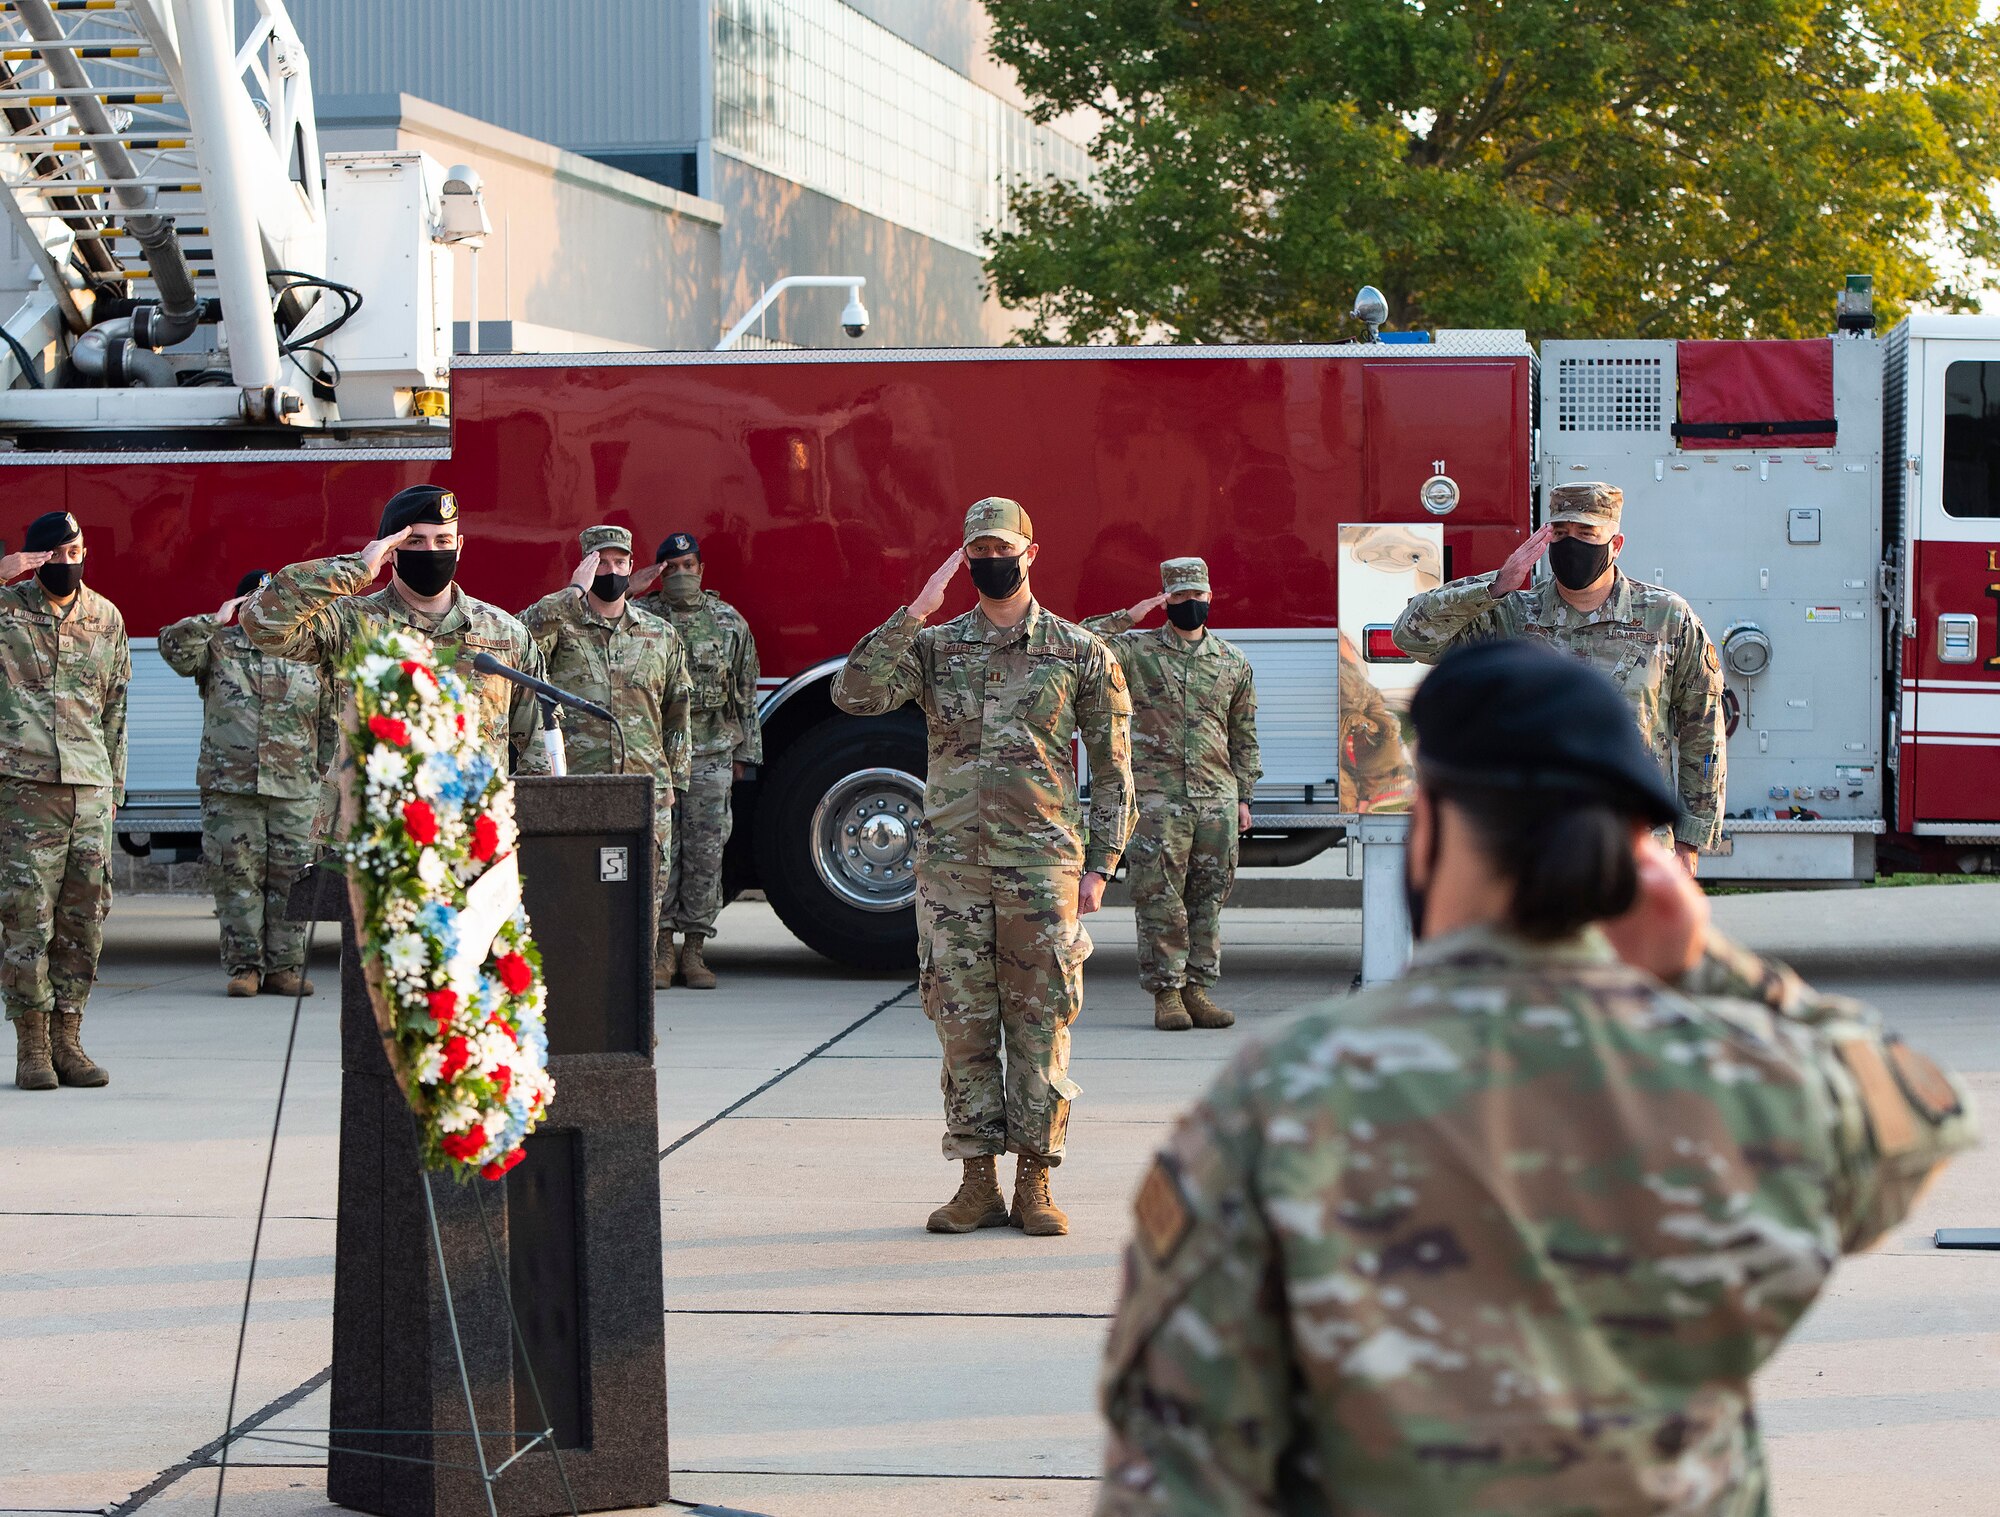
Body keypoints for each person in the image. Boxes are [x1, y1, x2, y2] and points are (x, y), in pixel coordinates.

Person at [1095, 641, 1975, 1515]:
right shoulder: (1754, 1081)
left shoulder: (1284, 1094)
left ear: (1431, 822)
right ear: (1631, 857)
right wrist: (1709, 961)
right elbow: (1923, 1106)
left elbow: (1177, 1466)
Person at [834, 497, 1135, 1237]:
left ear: (1031, 553)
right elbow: (855, 693)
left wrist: (1101, 864)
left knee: (1040, 1025)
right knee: (962, 1024)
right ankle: (976, 1181)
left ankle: (1035, 1178)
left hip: (1041, 868)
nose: (990, 561)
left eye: (1002, 547)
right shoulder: (936, 649)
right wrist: (915, 609)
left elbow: (1117, 767)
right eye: (977, 552)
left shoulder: (1079, 652)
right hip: (953, 875)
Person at [1391, 480, 1725, 871]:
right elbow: (1412, 638)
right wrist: (1495, 585)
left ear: (1615, 545)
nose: (1572, 545)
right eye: (1561, 534)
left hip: (1634, 843)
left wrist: (1690, 838)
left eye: (1587, 533)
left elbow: (1702, 728)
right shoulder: (1512, 614)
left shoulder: (1666, 617)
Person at [242, 485, 552, 811]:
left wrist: (525, 825)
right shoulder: (349, 623)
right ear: (390, 549)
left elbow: (540, 735)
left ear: (459, 546)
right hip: (369, 835)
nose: (432, 550)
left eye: (443, 540)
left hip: (472, 835)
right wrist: (356, 568)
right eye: (415, 541)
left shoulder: (504, 633)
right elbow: (261, 621)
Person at [1082, 557, 1260, 1031]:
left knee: (1207, 899)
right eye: (1179, 598)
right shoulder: (1136, 652)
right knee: (1159, 898)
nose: (1190, 606)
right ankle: (1167, 994)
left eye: (1196, 597)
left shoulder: (1231, 662)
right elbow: (1077, 642)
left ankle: (1198, 989)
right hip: (1158, 801)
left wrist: (1244, 797)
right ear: (1166, 600)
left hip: (1216, 801)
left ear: (1209, 597)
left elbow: (1243, 735)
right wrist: (1130, 614)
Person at [521, 526, 693, 987]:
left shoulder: (660, 635)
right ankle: (574, 1007)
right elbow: (519, 642)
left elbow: (678, 714)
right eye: (602, 561)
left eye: (621, 562)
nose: (613, 571)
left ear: (632, 566)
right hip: (575, 789)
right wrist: (573, 592)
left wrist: (675, 785)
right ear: (585, 565)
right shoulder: (559, 626)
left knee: (642, 908)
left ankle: (632, 1017)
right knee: (572, 901)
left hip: (645, 795)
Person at [159, 572, 338, 998]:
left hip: (295, 787)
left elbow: (330, 719)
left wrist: (324, 779)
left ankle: (285, 968)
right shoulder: (218, 647)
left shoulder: (309, 651)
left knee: (293, 880)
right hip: (230, 787)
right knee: (235, 878)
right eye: (256, 600)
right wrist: (214, 620)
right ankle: (245, 968)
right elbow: (173, 649)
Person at [1, 511, 127, 1090]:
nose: (66, 563)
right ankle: (31, 1046)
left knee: (85, 920)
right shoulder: (6, 610)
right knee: (28, 919)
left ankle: (68, 1040)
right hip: (25, 793)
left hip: (90, 792)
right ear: (32, 558)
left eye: (74, 551)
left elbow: (116, 710)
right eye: (52, 555)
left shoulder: (105, 617)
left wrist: (115, 789)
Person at [629, 531, 760, 989]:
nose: (682, 575)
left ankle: (696, 952)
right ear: (660, 573)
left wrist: (746, 754)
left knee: (706, 852)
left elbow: (745, 692)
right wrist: (632, 586)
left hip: (711, 751)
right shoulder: (640, 617)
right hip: (659, 752)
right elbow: (594, 617)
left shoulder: (729, 623)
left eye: (689, 566)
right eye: (672, 568)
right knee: (663, 853)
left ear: (702, 570)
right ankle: (661, 951)